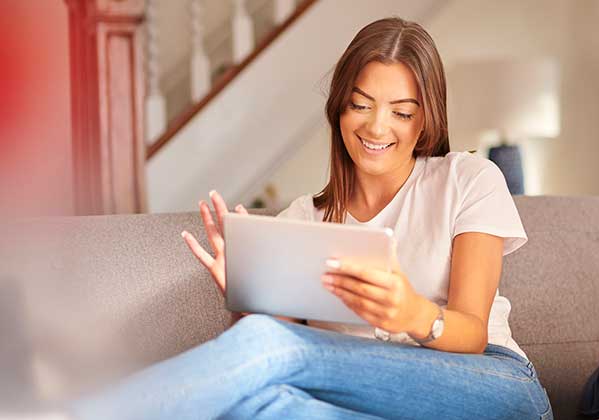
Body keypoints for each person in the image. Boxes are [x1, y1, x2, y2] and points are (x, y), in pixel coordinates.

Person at [66, 16, 553, 419]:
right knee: (264, 408)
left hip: (494, 385)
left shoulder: (468, 179)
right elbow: (273, 342)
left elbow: (470, 332)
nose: (376, 127)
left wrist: (413, 314)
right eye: (361, 105)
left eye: (401, 113)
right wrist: (245, 297)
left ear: (425, 120)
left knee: (276, 349)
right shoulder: (305, 219)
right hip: (379, 402)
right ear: (339, 108)